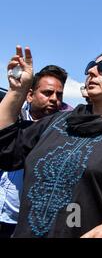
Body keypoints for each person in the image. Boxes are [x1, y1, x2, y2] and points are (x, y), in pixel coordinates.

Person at [0, 46, 102, 238]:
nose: (92, 71)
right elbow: (5, 146)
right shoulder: (58, 121)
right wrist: (16, 91)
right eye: (90, 67)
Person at [0, 64, 71, 238]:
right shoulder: (10, 117)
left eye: (59, 95)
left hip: (23, 223)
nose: (54, 99)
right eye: (47, 93)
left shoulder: (61, 132)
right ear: (30, 95)